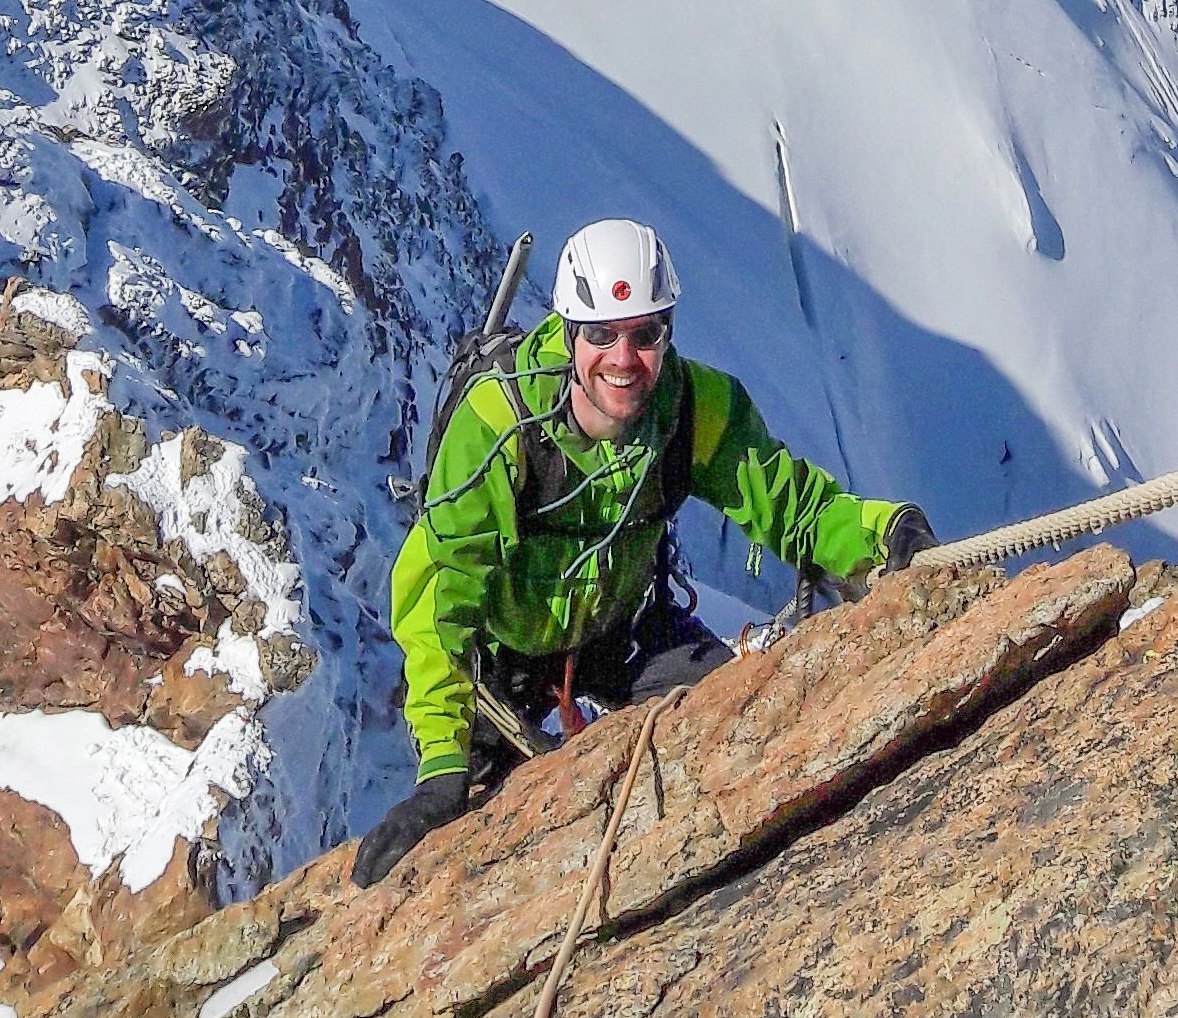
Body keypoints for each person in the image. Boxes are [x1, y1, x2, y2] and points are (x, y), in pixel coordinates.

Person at [353, 218, 933, 884]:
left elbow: (795, 508)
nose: (623, 359)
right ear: (570, 333)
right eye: (601, 334)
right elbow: (438, 607)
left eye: (645, 334)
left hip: (622, 626)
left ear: (668, 332)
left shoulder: (694, 408)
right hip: (498, 656)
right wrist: (441, 773)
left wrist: (884, 534)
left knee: (733, 728)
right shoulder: (496, 426)